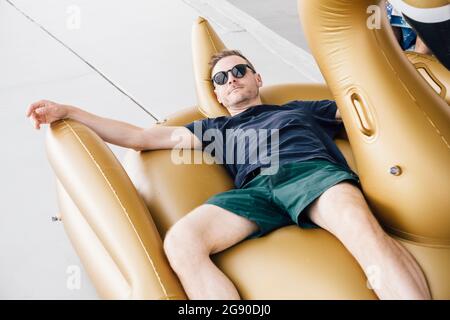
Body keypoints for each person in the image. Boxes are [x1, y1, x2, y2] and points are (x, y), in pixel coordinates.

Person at [26, 49, 431, 300]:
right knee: (182, 242)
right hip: (256, 191)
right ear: (218, 95)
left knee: (360, 226)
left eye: (239, 71)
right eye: (221, 79)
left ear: (257, 79)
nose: (231, 79)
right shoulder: (215, 130)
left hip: (311, 175)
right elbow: (139, 137)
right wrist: (70, 112)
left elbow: (365, 117)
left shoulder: (300, 108)